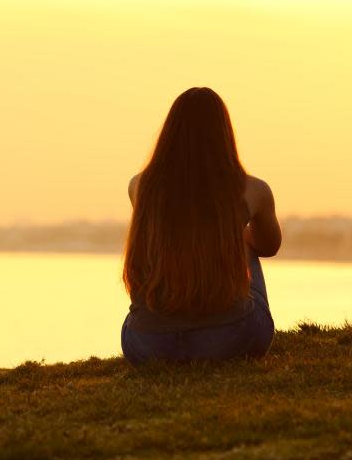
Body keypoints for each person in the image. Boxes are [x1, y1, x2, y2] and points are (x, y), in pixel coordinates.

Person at [120, 87, 281, 362]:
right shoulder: (251, 190)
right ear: (224, 135)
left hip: (148, 345)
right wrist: (235, 233)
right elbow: (268, 245)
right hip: (228, 340)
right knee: (245, 241)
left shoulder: (140, 186)